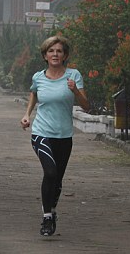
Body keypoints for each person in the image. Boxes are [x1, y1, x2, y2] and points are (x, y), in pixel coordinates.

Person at [20, 35, 90, 236]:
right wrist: (26, 115)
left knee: (57, 180)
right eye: (51, 51)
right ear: (45, 55)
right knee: (49, 173)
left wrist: (75, 90)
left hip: (64, 135)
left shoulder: (73, 75)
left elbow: (86, 106)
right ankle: (47, 217)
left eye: (59, 51)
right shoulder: (38, 77)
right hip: (41, 133)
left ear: (65, 55)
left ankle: (52, 210)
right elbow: (34, 93)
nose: (55, 54)